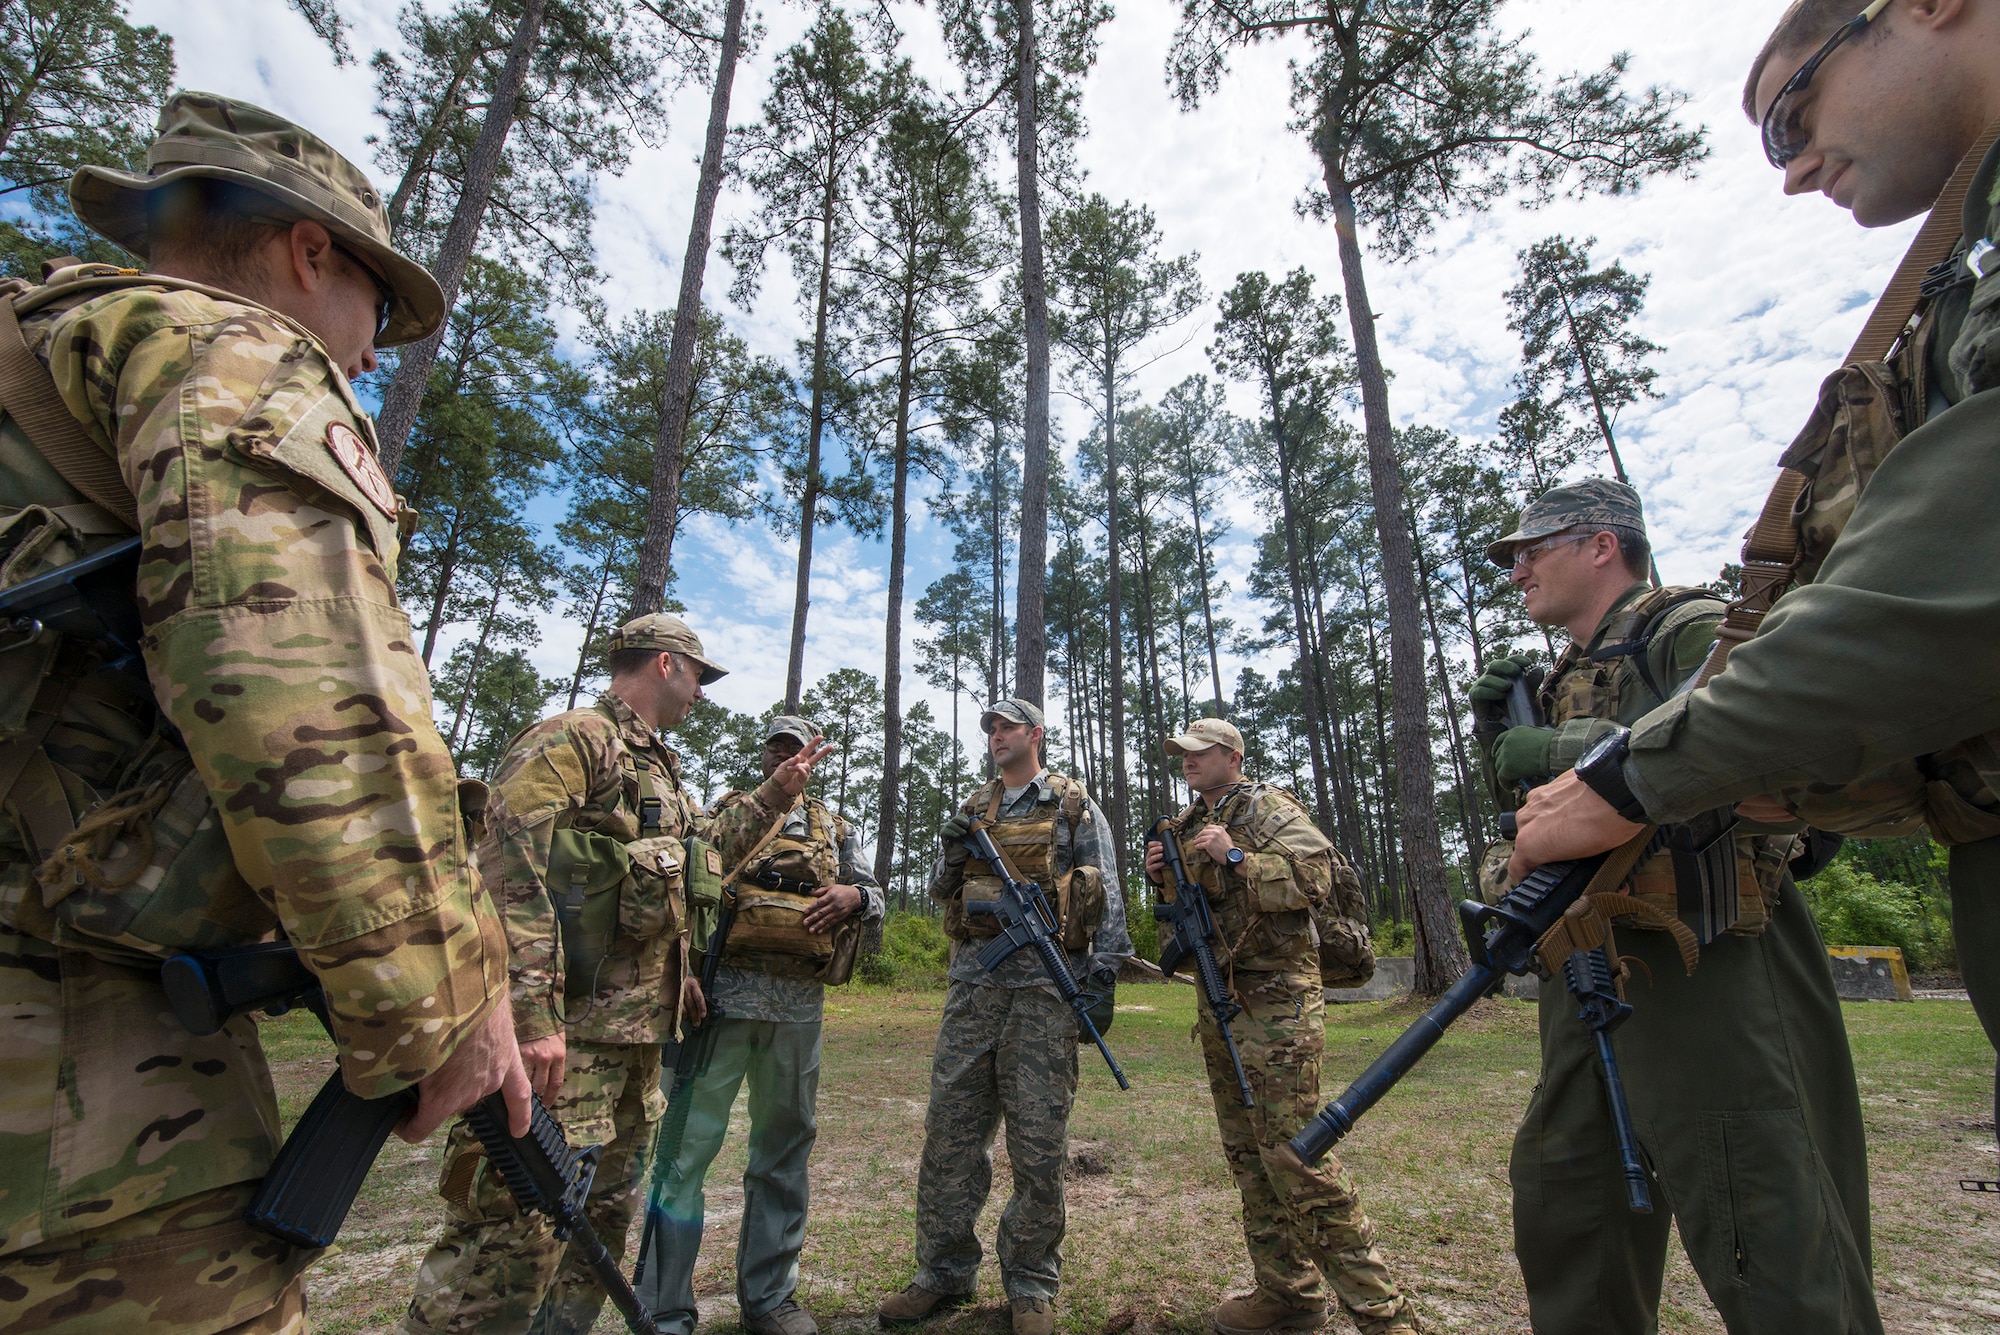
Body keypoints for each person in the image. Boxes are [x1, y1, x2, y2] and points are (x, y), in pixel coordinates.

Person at [0, 92, 525, 1334]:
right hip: (73, 1110)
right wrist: (433, 1008)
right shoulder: (227, 350)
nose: (363, 357)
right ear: (308, 252)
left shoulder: (47, 374)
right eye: (375, 322)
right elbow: (306, 703)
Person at [1508, 0, 2000, 1111]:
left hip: (1712, 944)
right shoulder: (1956, 267)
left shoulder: (1676, 623)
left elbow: (1926, 592)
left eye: (1788, 116)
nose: (1786, 172)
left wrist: (1621, 769)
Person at [1472, 480, 1879, 1334]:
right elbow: (1548, 823)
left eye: (1531, 549)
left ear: (1601, 545)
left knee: (1761, 1209)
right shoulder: (1562, 674)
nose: (1516, 571)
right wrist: (1502, 739)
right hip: (1586, 955)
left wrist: (1562, 745)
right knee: (1570, 1194)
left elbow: (1778, 727)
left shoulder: (1688, 624)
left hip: (1707, 947)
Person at [401, 614, 728, 1335]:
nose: (703, 692)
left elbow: (672, 875)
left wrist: (685, 978)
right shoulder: (575, 738)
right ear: (666, 664)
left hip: (636, 1043)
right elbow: (506, 864)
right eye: (700, 674)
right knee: (513, 1241)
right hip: (566, 1044)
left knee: (593, 1236)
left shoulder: (657, 762)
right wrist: (530, 1014)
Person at [1142, 718, 1415, 1335]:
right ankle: (1288, 1294)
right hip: (1220, 999)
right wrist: (1162, 876)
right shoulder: (1181, 827)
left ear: (1232, 756)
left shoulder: (1271, 808)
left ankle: (1383, 1313)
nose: (1186, 761)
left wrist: (1235, 856)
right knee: (1247, 1155)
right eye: (1181, 753)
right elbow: (1188, 920)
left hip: (1280, 1002)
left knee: (1296, 1153)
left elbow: (1313, 882)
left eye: (1199, 752)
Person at [876, 699, 1129, 1335]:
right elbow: (943, 890)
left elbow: (1108, 888)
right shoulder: (972, 807)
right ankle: (942, 1272)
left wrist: (1103, 975)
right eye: (989, 728)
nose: (996, 735)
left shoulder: (1072, 803)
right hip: (973, 988)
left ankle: (1031, 1283)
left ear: (1035, 734)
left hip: (1045, 991)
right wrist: (951, 850)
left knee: (1039, 1143)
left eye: (1008, 726)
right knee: (951, 1136)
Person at [634, 714, 883, 1335]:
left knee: (783, 1151)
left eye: (796, 747)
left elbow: (875, 895)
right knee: (685, 1153)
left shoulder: (834, 829)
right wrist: (684, 972)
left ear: (812, 756)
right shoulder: (726, 814)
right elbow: (680, 896)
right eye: (775, 746)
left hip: (797, 1011)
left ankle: (771, 1299)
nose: (785, 756)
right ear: (764, 755)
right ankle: (664, 1308)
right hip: (716, 1008)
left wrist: (856, 898)